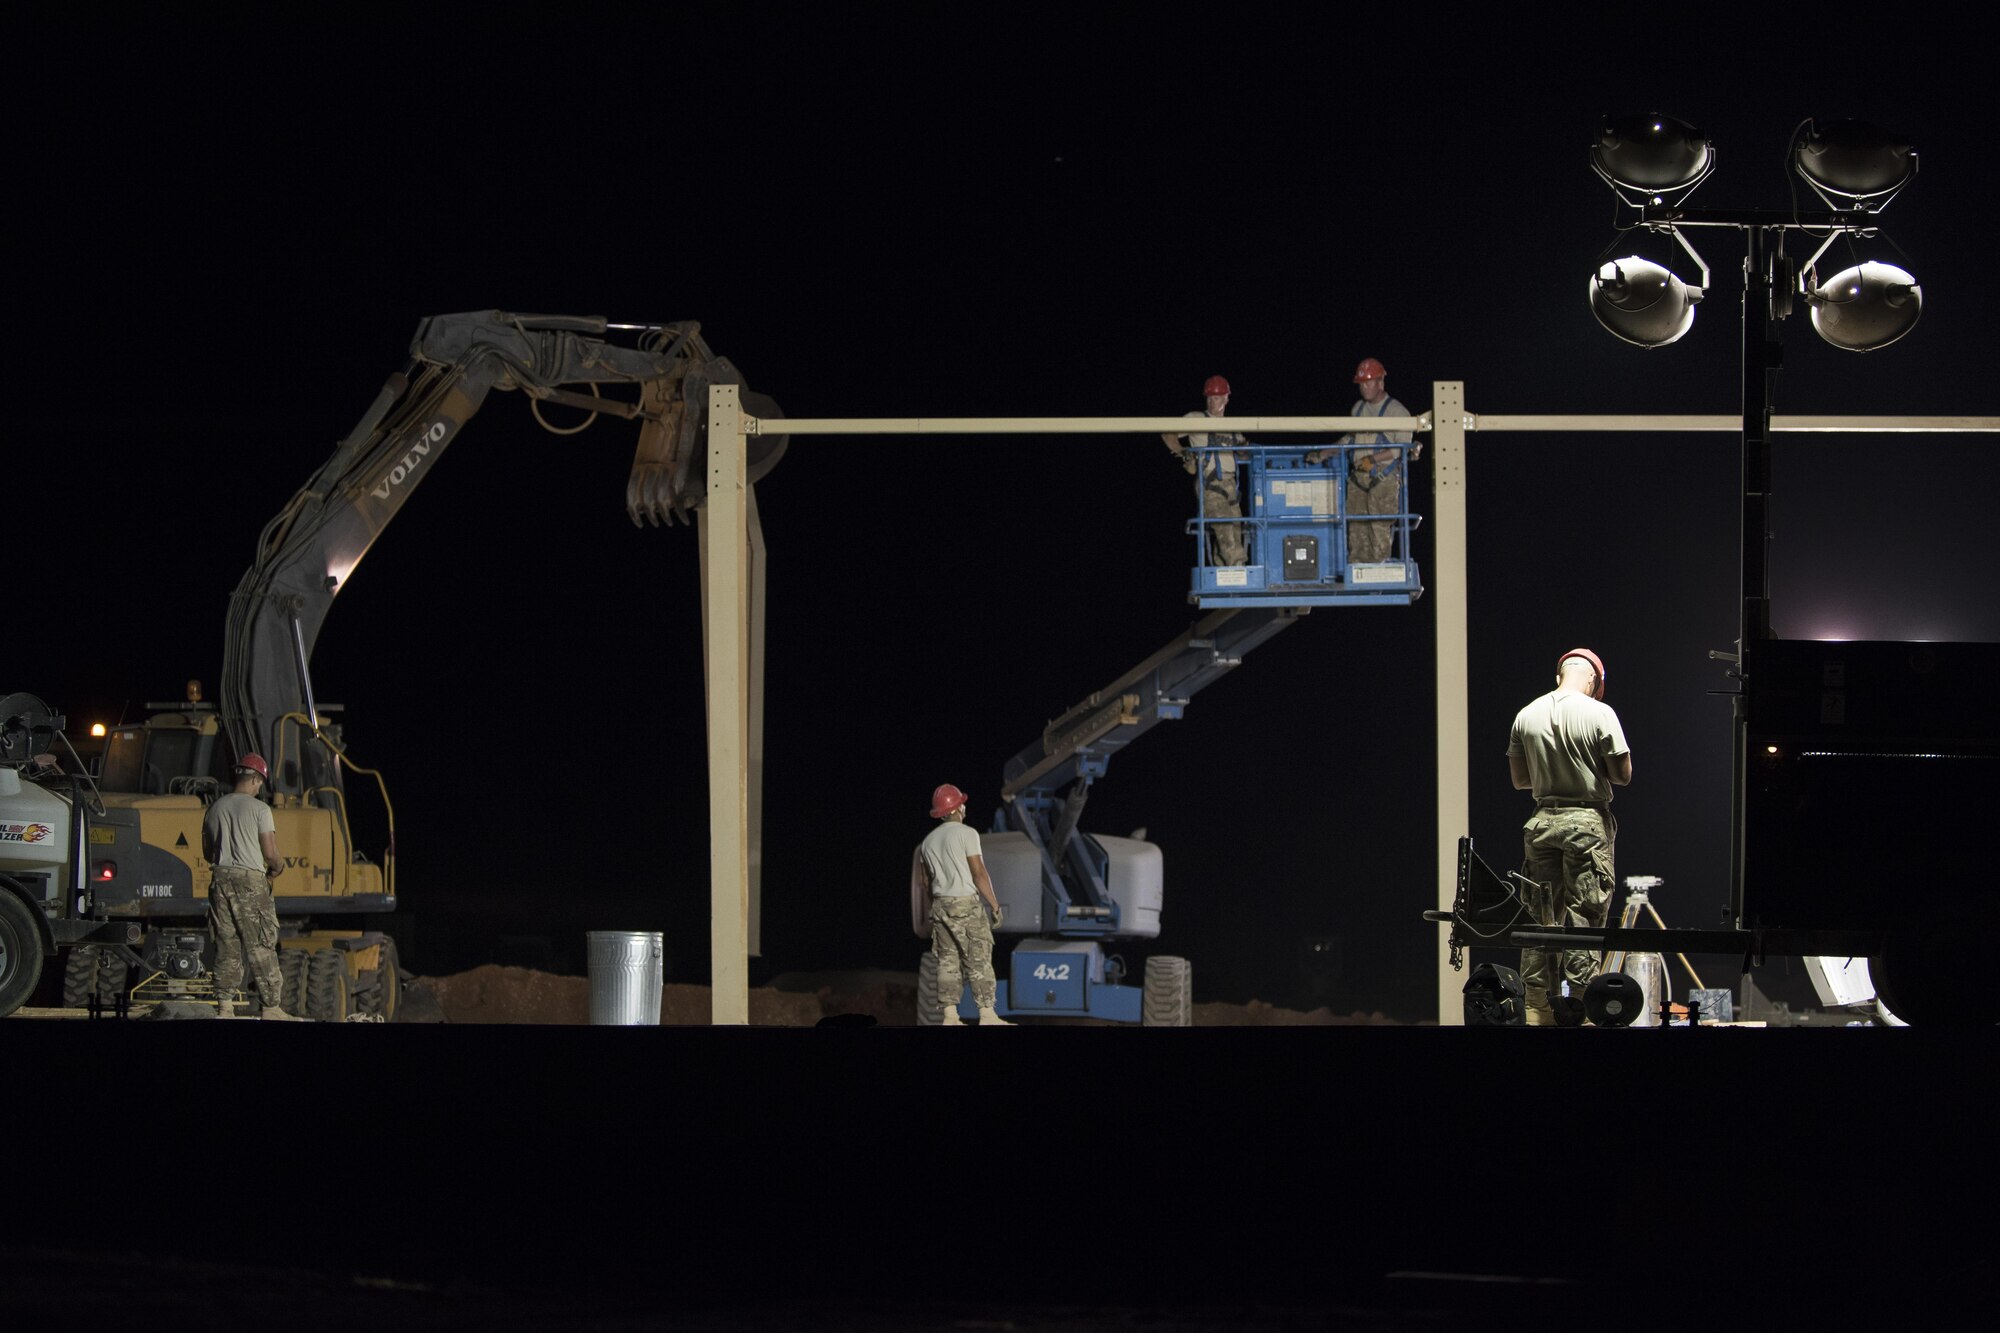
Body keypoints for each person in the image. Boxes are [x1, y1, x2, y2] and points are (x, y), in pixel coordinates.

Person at [1505, 649, 1632, 1026]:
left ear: (1560, 673)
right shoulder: (1599, 713)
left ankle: (1536, 1009)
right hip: (1586, 823)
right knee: (1586, 915)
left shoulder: (1526, 714)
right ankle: (1581, 1004)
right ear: (1593, 680)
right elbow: (1623, 775)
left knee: (1539, 918)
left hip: (1542, 822)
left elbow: (1519, 780)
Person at [201, 753, 302, 1020]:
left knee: (226, 943)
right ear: (256, 778)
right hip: (250, 881)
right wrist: (279, 867)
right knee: (261, 943)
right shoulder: (260, 810)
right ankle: (270, 1007)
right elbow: (270, 853)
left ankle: (225, 1007)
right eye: (260, 783)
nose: (260, 788)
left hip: (220, 879)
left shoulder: (215, 808)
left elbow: (208, 852)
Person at [914, 783, 1011, 1026]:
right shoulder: (967, 834)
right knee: (978, 957)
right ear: (957, 808)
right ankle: (987, 1016)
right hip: (965, 905)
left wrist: (933, 909)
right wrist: (995, 905)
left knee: (947, 960)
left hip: (940, 906)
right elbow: (978, 873)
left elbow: (926, 882)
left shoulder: (927, 842)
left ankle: (950, 1016)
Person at [1311, 357, 1417, 566]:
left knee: (1379, 526)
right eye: (1361, 384)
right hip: (1359, 476)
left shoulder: (1397, 412)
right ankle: (1358, 566)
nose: (1364, 388)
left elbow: (1400, 449)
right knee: (1356, 525)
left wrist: (1372, 459)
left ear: (1380, 383)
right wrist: (1328, 451)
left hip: (1382, 477)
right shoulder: (1358, 409)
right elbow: (1352, 438)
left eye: (1368, 383)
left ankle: (1379, 566)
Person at [1161, 374, 1248, 567]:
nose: (1212, 402)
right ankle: (1238, 570)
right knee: (1225, 530)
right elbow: (1167, 432)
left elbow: (1245, 452)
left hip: (1231, 485)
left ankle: (1223, 575)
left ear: (1226, 398)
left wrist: (1247, 451)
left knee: (1235, 530)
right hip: (1210, 484)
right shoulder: (1196, 419)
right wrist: (1183, 454)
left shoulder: (1233, 428)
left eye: (1216, 398)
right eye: (1209, 398)